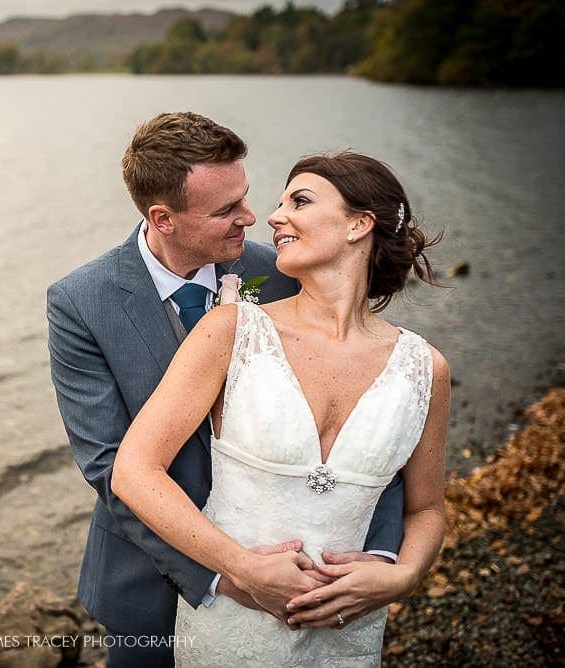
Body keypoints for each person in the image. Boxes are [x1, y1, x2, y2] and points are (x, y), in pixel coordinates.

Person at [47, 112, 408, 667]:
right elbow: (108, 464)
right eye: (225, 210)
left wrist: (381, 555)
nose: (252, 217)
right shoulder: (81, 302)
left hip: (293, 570)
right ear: (163, 218)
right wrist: (225, 571)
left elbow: (369, 416)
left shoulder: (284, 270)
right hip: (148, 578)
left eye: (244, 195)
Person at [111, 150, 450, 666]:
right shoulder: (233, 330)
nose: (272, 216)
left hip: (349, 632)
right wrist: (240, 567)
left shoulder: (425, 367)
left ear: (360, 224)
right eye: (280, 202)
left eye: (301, 201)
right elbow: (133, 471)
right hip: (232, 626)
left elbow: (425, 508)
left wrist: (401, 576)